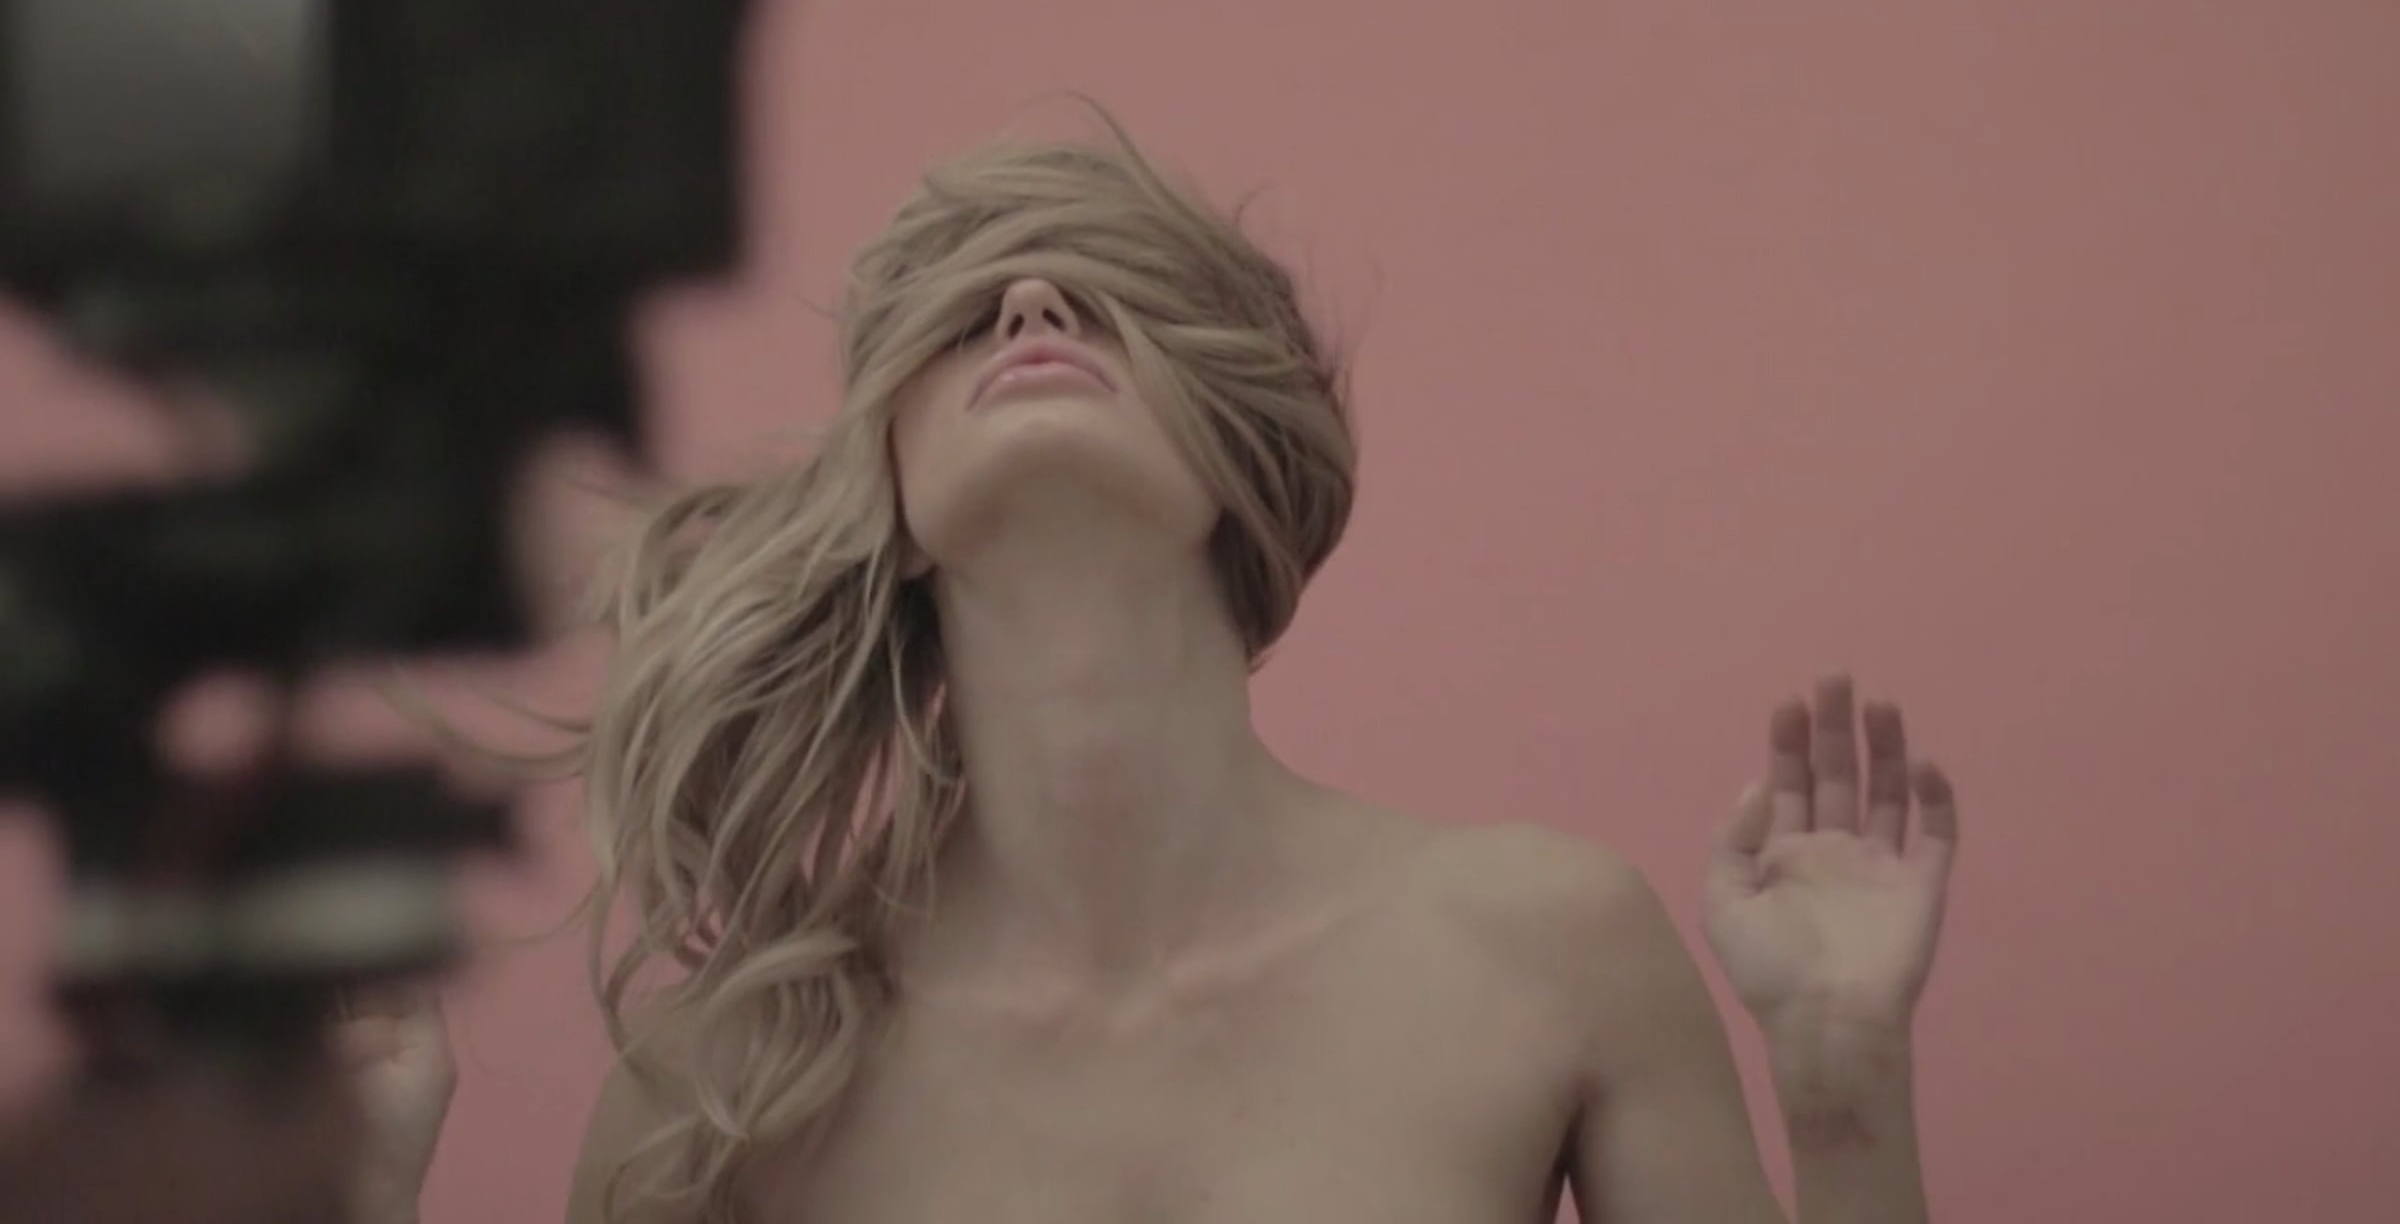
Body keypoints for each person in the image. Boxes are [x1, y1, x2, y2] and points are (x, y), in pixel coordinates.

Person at [346, 121, 1962, 1224]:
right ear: (888, 508)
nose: (1032, 301)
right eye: (962, 316)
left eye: (1110, 297)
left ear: (1243, 459)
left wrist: (1842, 1089)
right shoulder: (726, 1076)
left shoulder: (1544, 945)